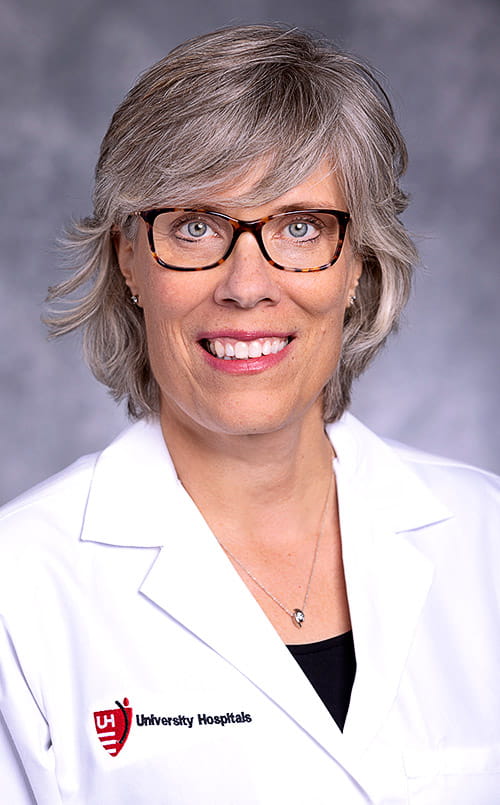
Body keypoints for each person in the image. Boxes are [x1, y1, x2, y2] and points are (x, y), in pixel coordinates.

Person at [0, 23, 499, 805]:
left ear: (357, 265)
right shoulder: (21, 586)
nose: (246, 285)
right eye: (196, 226)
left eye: (300, 227)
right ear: (129, 259)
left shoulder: (485, 536)